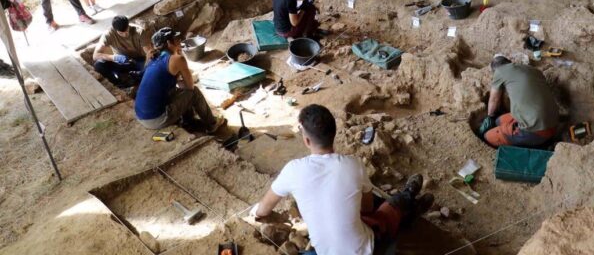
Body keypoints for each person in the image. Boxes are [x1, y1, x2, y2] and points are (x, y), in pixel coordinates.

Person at [251, 104, 434, 254]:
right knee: (387, 211)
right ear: (334, 134)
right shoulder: (354, 164)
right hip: (367, 250)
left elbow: (263, 210)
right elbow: (368, 208)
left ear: (307, 141)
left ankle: (410, 204)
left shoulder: (292, 170)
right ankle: (409, 198)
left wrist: (256, 214)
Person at [134, 27, 224, 132]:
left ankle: (188, 122)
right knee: (194, 93)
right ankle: (212, 124)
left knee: (177, 91)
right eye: (176, 39)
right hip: (156, 118)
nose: (180, 41)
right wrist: (180, 56)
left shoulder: (152, 58)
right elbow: (190, 87)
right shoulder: (177, 59)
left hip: (141, 115)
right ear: (169, 43)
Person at [480, 55, 559, 148]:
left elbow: (494, 99)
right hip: (554, 123)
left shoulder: (499, 71)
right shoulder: (533, 70)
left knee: (487, 136)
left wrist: (490, 116)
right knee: (498, 121)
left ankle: (538, 145)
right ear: (509, 62)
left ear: (495, 70)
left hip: (536, 132)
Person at [93, 15, 152, 88]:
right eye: (121, 33)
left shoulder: (139, 31)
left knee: (152, 69)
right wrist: (114, 57)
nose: (125, 35)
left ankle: (136, 78)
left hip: (139, 61)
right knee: (99, 64)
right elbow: (95, 55)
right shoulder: (109, 34)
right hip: (121, 62)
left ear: (128, 25)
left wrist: (144, 69)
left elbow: (149, 53)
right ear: (115, 29)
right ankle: (119, 84)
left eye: (127, 31)